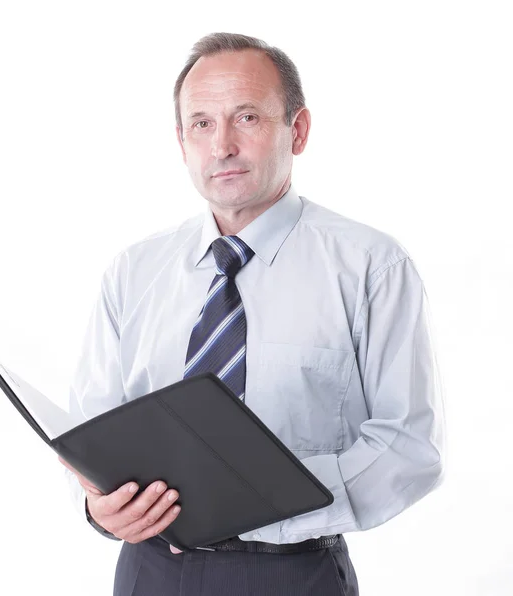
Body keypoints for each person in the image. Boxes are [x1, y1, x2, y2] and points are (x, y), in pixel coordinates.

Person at [60, 31, 446, 596]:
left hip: (293, 572)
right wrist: (98, 507)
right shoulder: (132, 272)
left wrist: (266, 501)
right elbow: (87, 433)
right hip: (149, 571)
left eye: (246, 118)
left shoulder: (371, 267)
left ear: (299, 129)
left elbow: (410, 448)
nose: (222, 146)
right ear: (180, 139)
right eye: (201, 124)